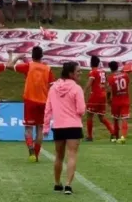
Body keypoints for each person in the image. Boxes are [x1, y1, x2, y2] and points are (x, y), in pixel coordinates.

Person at [43, 61, 85, 195]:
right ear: (71, 73)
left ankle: (57, 183)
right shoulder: (77, 88)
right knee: (72, 155)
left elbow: (48, 109)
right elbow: (81, 110)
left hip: (59, 126)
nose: (80, 73)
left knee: (59, 156)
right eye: (78, 71)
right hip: (73, 125)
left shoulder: (53, 88)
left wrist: (45, 127)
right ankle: (68, 185)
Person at [12, 47, 55, 162]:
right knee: (40, 128)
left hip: (30, 100)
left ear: (32, 55)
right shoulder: (47, 69)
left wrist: (17, 57)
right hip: (43, 101)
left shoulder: (29, 66)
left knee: (28, 128)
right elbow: (52, 86)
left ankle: (31, 150)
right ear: (42, 56)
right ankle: (36, 154)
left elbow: (10, 66)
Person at [84, 56, 115, 141]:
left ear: (91, 63)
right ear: (98, 63)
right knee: (101, 117)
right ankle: (113, 132)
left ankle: (89, 136)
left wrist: (83, 91)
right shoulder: (103, 72)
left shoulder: (93, 72)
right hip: (103, 95)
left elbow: (89, 83)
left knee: (89, 115)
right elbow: (107, 84)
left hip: (95, 95)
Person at [107, 60, 132, 144]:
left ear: (110, 68)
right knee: (124, 119)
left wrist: (108, 99)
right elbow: (128, 84)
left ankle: (117, 137)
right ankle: (123, 137)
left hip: (116, 101)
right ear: (117, 66)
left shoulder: (111, 78)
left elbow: (109, 90)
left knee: (115, 119)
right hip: (125, 100)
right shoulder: (125, 75)